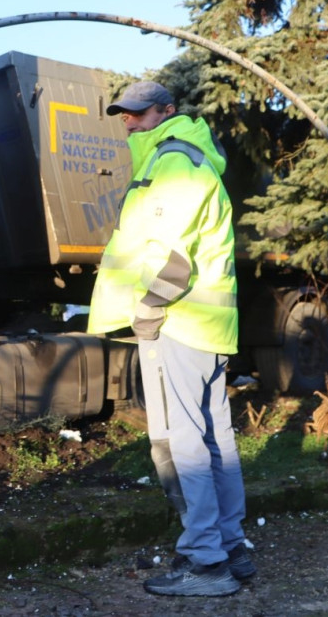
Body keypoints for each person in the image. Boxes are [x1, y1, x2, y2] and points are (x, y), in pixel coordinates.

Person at [87, 81, 255, 597]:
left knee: (184, 445)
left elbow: (176, 260)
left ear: (168, 111)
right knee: (215, 443)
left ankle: (207, 564)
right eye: (124, 114)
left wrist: (148, 310)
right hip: (203, 326)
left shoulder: (175, 161)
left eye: (139, 112)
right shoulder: (177, 158)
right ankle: (232, 548)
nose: (130, 121)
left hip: (177, 322)